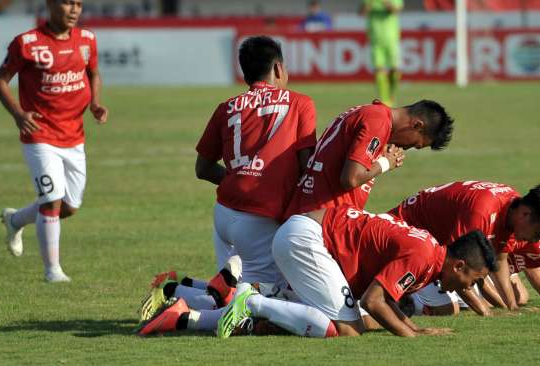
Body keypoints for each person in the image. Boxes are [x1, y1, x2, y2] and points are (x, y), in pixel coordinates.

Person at [138, 36, 318, 322]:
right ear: (279, 69)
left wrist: (239, 178)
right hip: (260, 219)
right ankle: (181, 315)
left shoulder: (227, 107)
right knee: (266, 300)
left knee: (233, 292)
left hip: (224, 214)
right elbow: (307, 165)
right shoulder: (300, 103)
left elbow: (203, 168)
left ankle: (175, 289)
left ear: (245, 73)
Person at [137, 206, 497, 337]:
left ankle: (183, 307)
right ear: (460, 265)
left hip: (306, 236)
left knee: (290, 321)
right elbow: (374, 301)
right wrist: (412, 334)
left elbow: (378, 301)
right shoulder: (424, 255)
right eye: (474, 281)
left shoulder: (429, 250)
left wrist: (409, 323)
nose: (468, 288)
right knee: (345, 328)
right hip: (309, 240)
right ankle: (253, 300)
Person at [0, 0, 108, 282]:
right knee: (51, 200)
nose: (74, 10)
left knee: (68, 206)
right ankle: (52, 271)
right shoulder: (27, 43)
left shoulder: (87, 40)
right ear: (50, 5)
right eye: (68, 3)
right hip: (39, 135)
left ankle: (15, 220)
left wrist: (95, 103)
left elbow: (92, 72)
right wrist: (19, 115)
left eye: (79, 4)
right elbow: (0, 81)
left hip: (74, 136)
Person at [388, 180, 540, 314]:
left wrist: (511, 309)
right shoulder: (481, 211)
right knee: (448, 308)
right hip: (403, 241)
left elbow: (500, 260)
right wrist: (485, 311)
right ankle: (398, 299)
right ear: (525, 214)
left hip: (431, 248)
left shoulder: (510, 209)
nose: (537, 239)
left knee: (484, 298)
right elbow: (456, 265)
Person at [285, 99, 453, 219]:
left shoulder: (373, 113)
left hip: (310, 211)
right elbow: (351, 179)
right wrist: (385, 163)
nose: (404, 149)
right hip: (320, 218)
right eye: (414, 144)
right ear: (417, 125)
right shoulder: (378, 121)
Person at [360, 0, 403, 106]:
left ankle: (391, 95)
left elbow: (395, 10)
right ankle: (385, 101)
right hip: (375, 39)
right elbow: (362, 12)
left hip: (392, 39)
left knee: (395, 69)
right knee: (379, 70)